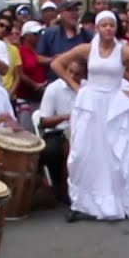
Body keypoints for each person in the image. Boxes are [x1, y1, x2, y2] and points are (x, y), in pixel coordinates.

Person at [50, 10, 129, 222]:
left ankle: (115, 198)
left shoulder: (123, 51)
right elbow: (57, 64)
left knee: (114, 150)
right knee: (87, 150)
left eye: (112, 25)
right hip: (91, 102)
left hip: (113, 103)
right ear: (97, 28)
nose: (108, 28)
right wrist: (76, 86)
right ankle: (83, 201)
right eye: (104, 25)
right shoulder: (86, 49)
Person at [38, 59, 83, 204]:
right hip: (58, 131)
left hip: (82, 130)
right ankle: (63, 188)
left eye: (77, 74)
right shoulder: (54, 88)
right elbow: (44, 121)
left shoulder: (86, 88)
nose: (73, 77)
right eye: (70, 72)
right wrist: (66, 117)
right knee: (54, 150)